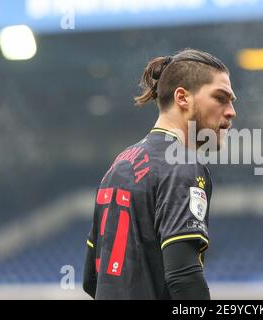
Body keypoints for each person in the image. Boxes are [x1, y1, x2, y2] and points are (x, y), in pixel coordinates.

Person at [83, 48, 237, 299]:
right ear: (182, 98)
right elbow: (183, 277)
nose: (231, 111)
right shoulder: (182, 164)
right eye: (221, 98)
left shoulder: (119, 165)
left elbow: (91, 279)